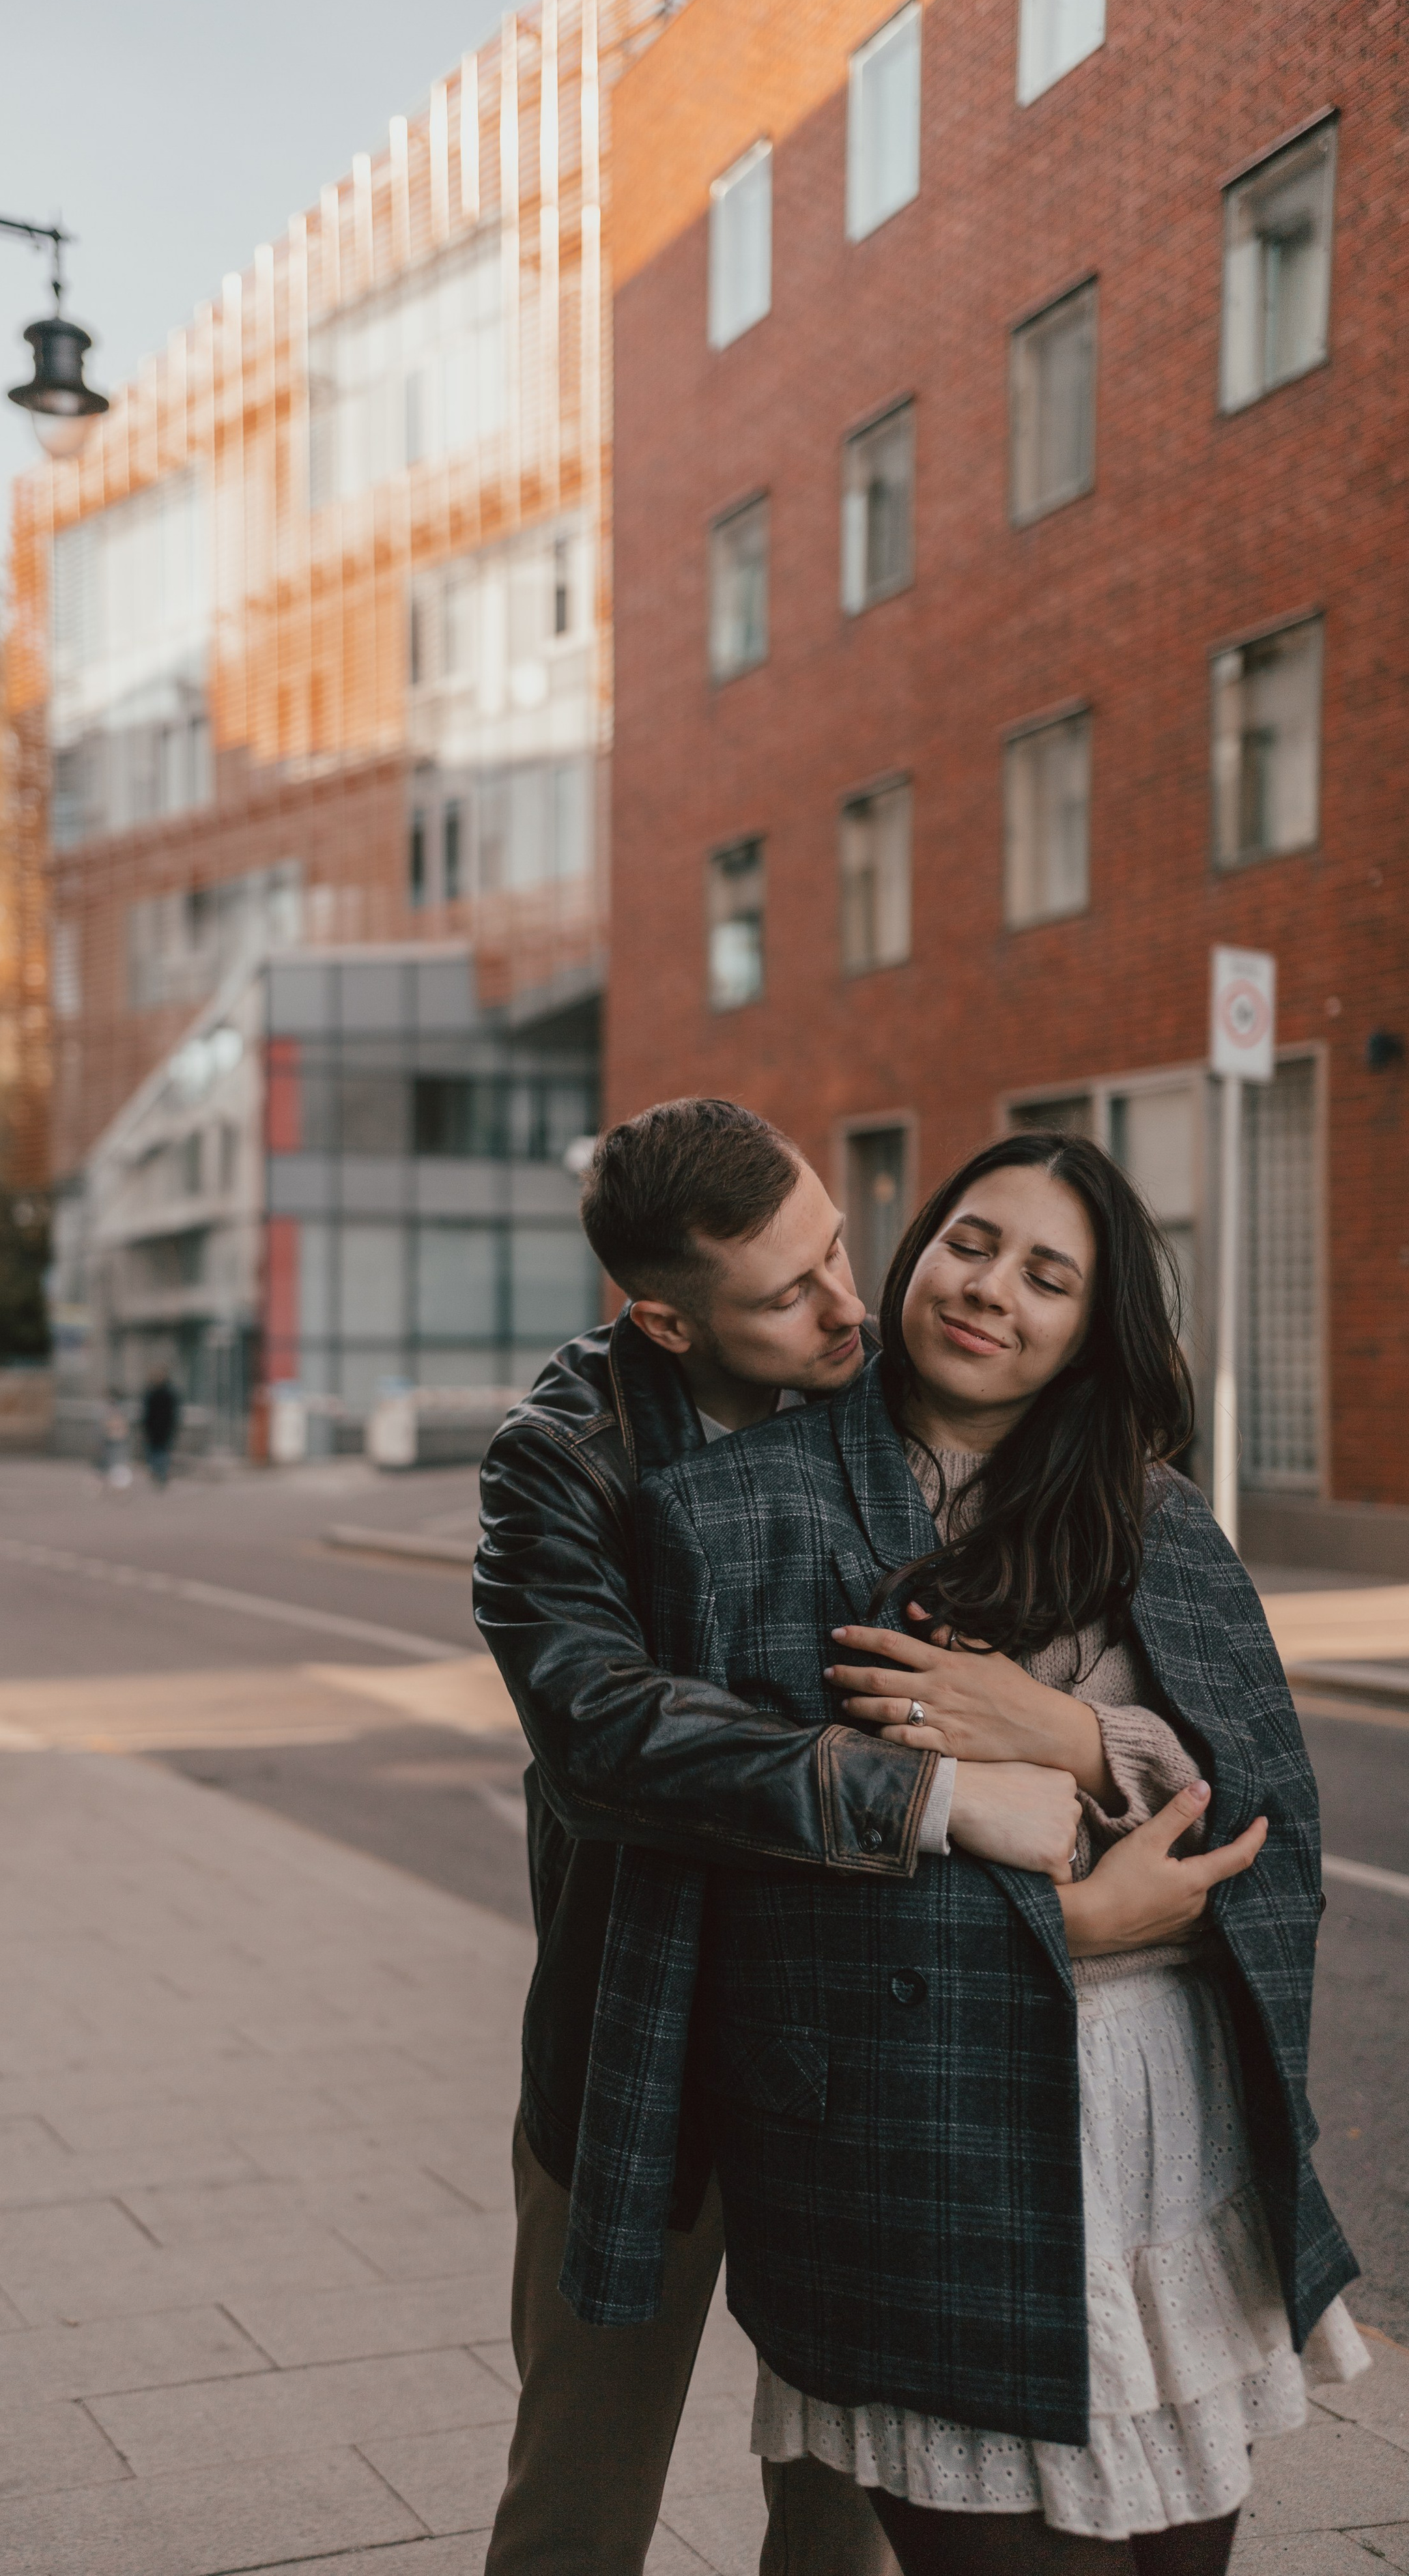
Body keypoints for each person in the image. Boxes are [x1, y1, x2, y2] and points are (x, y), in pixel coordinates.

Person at [588, 1131, 1365, 2575]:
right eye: (969, 1241)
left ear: (1091, 1326)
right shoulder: (731, 1512)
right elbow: (733, 1878)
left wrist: (1062, 1735)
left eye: (1047, 1274)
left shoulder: (1156, 1520)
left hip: (1164, 2133)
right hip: (914, 2137)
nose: (989, 1288)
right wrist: (1066, 1925)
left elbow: (1269, 1836)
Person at [475, 1102, 1115, 2576]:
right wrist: (930, 1797)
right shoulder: (560, 1459)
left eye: (837, 1246)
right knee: (576, 2502)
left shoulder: (896, 1390)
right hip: (647, 2048)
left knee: (855, 2524)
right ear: (663, 1320)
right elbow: (605, 1740)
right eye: (783, 1293)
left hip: (866, 2048)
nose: (847, 1307)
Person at [141, 1369, 180, 1487]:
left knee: (161, 1452)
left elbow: (173, 1413)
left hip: (162, 1429)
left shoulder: (163, 1394)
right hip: (157, 1429)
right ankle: (159, 1474)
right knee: (158, 1452)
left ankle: (160, 1474)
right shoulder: (155, 1394)